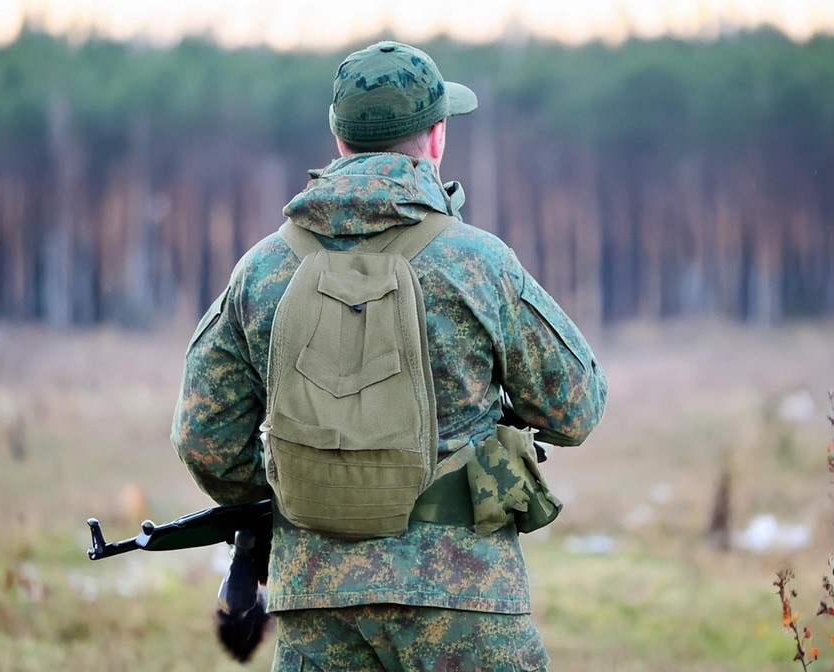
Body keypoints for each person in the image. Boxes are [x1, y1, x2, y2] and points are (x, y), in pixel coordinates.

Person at [172, 40, 607, 671]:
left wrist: (307, 490)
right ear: (437, 139)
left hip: (319, 609)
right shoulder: (477, 262)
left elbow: (203, 437)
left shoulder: (264, 271)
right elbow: (577, 406)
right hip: (467, 603)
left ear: (340, 141)